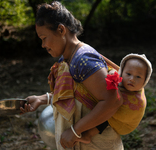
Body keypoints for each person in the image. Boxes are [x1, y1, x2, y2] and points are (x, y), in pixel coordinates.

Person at [20, 1, 136, 149]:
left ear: (61, 30)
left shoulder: (83, 60)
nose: (43, 45)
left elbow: (113, 101)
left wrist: (76, 131)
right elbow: (75, 94)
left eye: (44, 38)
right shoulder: (68, 58)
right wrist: (41, 99)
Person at [75, 53, 153, 144]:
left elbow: (128, 113)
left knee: (104, 117)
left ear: (145, 80)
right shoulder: (118, 77)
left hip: (123, 123)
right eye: (128, 74)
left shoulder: (139, 100)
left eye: (138, 77)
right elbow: (111, 71)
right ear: (122, 71)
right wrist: (112, 72)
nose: (132, 79)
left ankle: (87, 135)